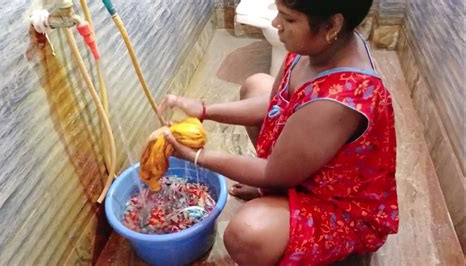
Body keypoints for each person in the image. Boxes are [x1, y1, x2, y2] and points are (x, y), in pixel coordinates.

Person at [158, 0, 398, 264]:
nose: (276, 24)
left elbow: (273, 172)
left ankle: (338, 250)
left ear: (332, 24)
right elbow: (275, 106)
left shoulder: (336, 102)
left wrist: (197, 157)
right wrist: (204, 109)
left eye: (289, 19)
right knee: (255, 84)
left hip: (339, 205)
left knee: (245, 236)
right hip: (306, 163)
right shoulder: (319, 46)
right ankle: (274, 197)